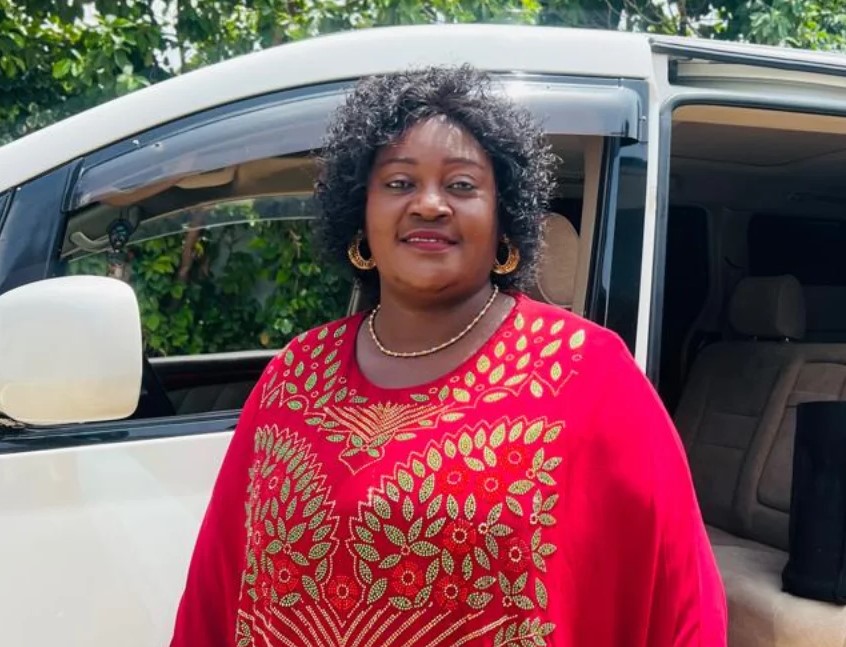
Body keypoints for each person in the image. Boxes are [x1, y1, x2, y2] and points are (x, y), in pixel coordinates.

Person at [171, 65, 727, 647]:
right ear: (360, 213)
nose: (430, 204)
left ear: (504, 218)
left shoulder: (586, 372)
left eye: (462, 185)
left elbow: (680, 599)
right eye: (399, 182)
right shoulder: (296, 374)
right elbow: (218, 583)